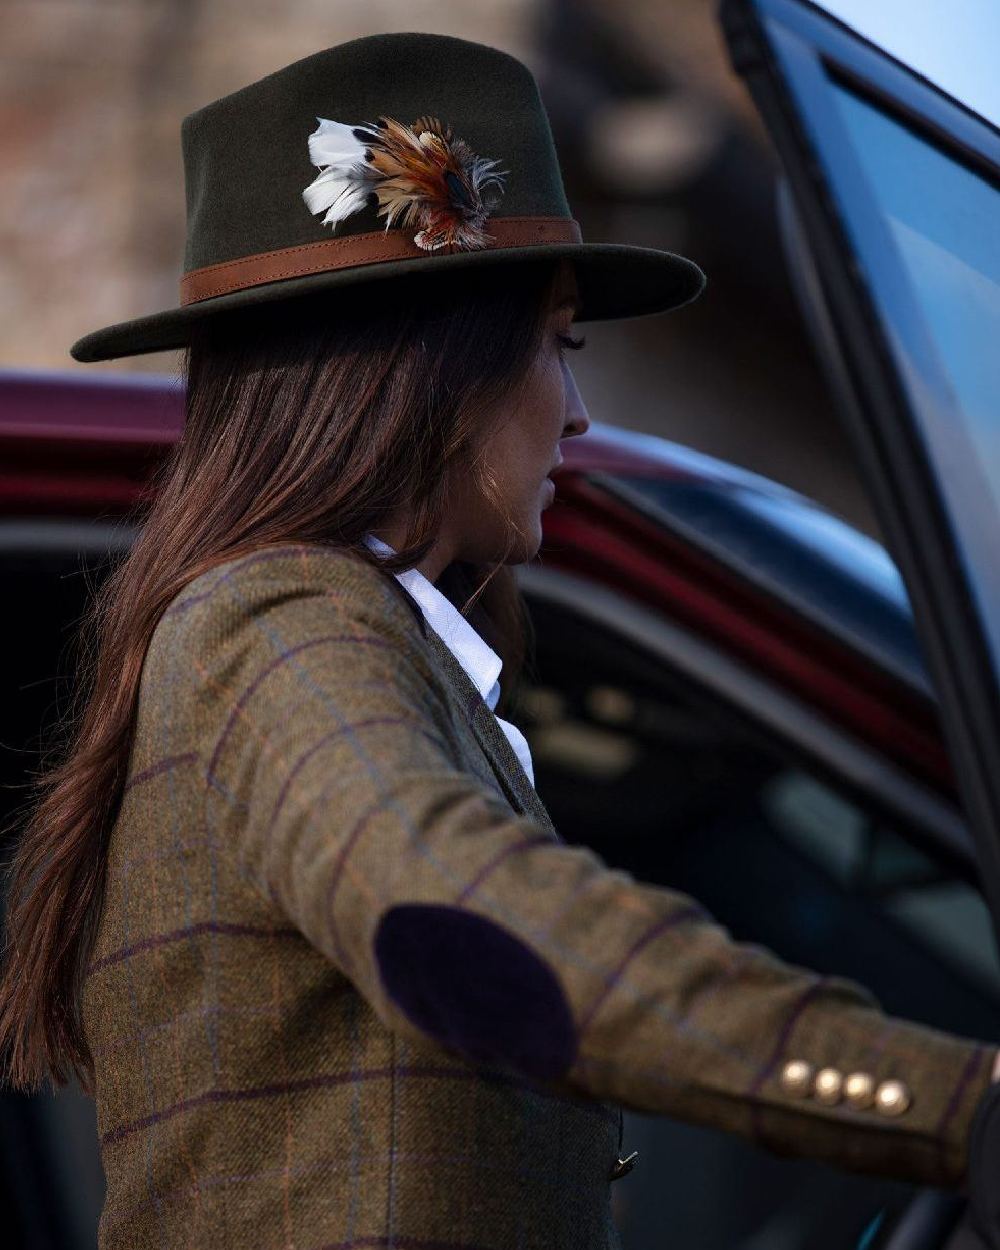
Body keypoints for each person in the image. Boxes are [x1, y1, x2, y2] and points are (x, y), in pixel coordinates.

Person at [0, 30, 998, 1250]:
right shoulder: (278, 620)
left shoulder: (347, 640)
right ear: (430, 365)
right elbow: (463, 915)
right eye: (559, 344)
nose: (577, 412)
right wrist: (954, 1104)